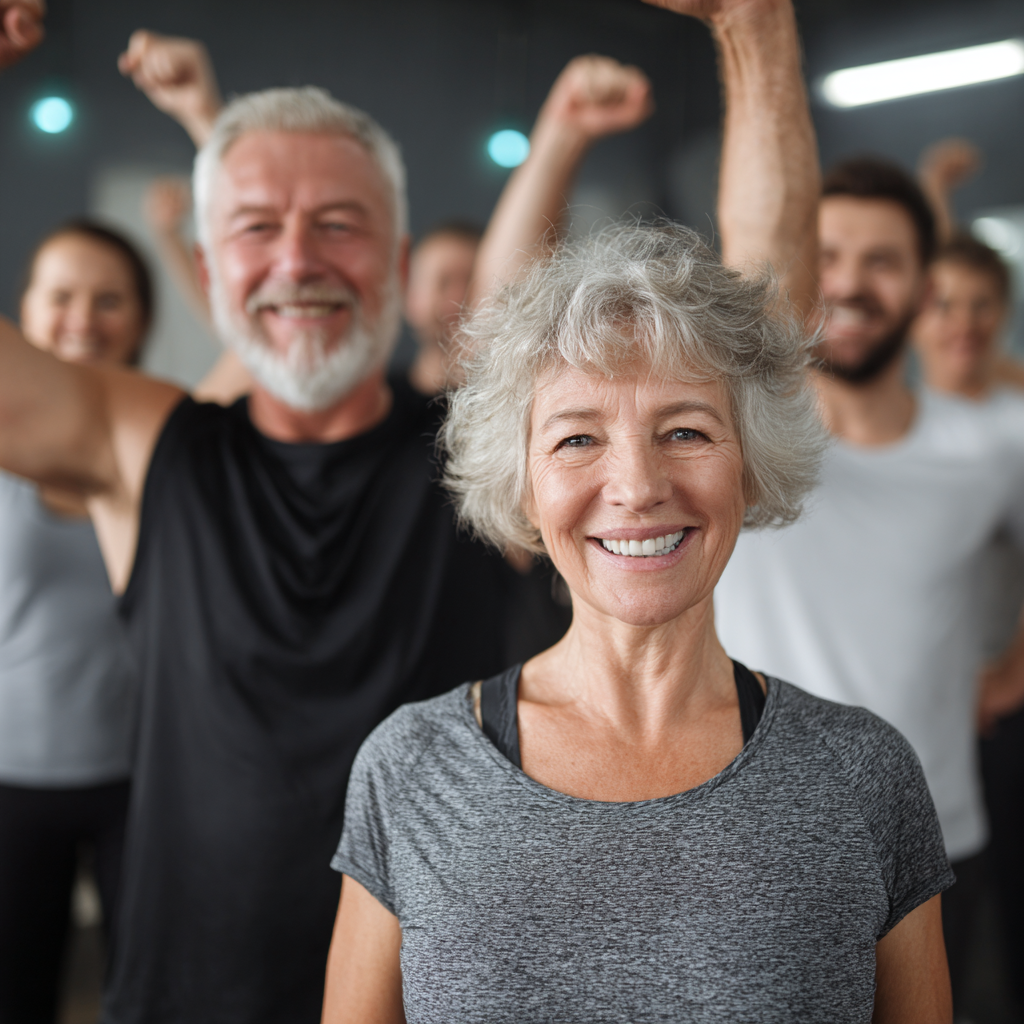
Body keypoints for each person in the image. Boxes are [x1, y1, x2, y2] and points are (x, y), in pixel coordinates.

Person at [0, 9, 654, 1024]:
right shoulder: (142, 443)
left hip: (438, 992)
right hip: (185, 994)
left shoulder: (475, 457)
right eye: (258, 228)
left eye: (338, 224)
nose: (298, 260)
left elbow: (515, 320)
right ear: (212, 273)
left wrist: (561, 136)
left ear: (396, 268)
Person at [324, 2, 953, 1020]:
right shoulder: (411, 766)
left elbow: (772, 286)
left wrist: (756, 29)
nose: (636, 484)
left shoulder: (863, 774)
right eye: (577, 437)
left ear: (750, 463)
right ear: (521, 480)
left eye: (686, 431)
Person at [709, 153, 1024, 1009]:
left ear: (925, 289)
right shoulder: (733, 447)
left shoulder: (988, 448)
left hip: (933, 845)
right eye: (829, 256)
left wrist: (1011, 670)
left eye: (882, 261)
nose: (849, 283)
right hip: (746, 846)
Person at [0, 221, 147, 1024]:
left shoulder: (167, 438)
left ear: (141, 319)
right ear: (24, 310)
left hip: (140, 780)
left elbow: (248, 342)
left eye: (109, 299)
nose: (83, 319)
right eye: (60, 296)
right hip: (9, 780)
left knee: (141, 995)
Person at [913, 229, 1024, 1012]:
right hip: (918, 713)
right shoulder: (892, 427)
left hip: (997, 710)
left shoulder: (1012, 428)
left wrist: (1010, 677)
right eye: (944, 303)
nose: (963, 320)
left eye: (982, 304)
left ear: (1005, 313)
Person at [403, 221, 481, 395]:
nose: (457, 298)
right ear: (410, 297)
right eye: (444, 283)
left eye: (470, 280)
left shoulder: (514, 402)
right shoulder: (377, 403)